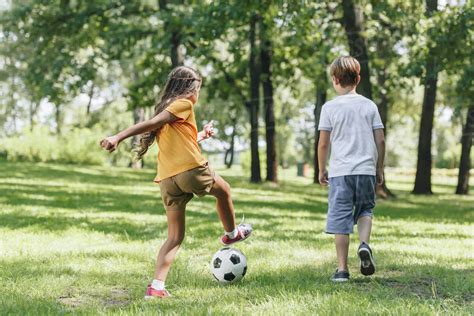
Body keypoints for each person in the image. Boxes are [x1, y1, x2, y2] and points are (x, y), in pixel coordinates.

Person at [100, 66, 253, 298]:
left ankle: (156, 288)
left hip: (168, 179)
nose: (198, 95)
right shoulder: (184, 104)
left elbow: (183, 140)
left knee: (174, 237)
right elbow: (151, 123)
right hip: (191, 170)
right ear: (190, 88)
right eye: (198, 89)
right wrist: (118, 136)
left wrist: (202, 135)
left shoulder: (171, 108)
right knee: (224, 190)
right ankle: (231, 234)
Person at [317, 56, 385, 282]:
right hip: (366, 170)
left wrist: (321, 168)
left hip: (340, 172)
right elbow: (381, 140)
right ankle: (364, 244)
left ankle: (342, 270)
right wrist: (379, 168)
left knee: (340, 220)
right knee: (365, 210)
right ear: (358, 79)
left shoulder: (330, 107)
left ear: (335, 80)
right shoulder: (369, 105)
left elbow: (324, 143)